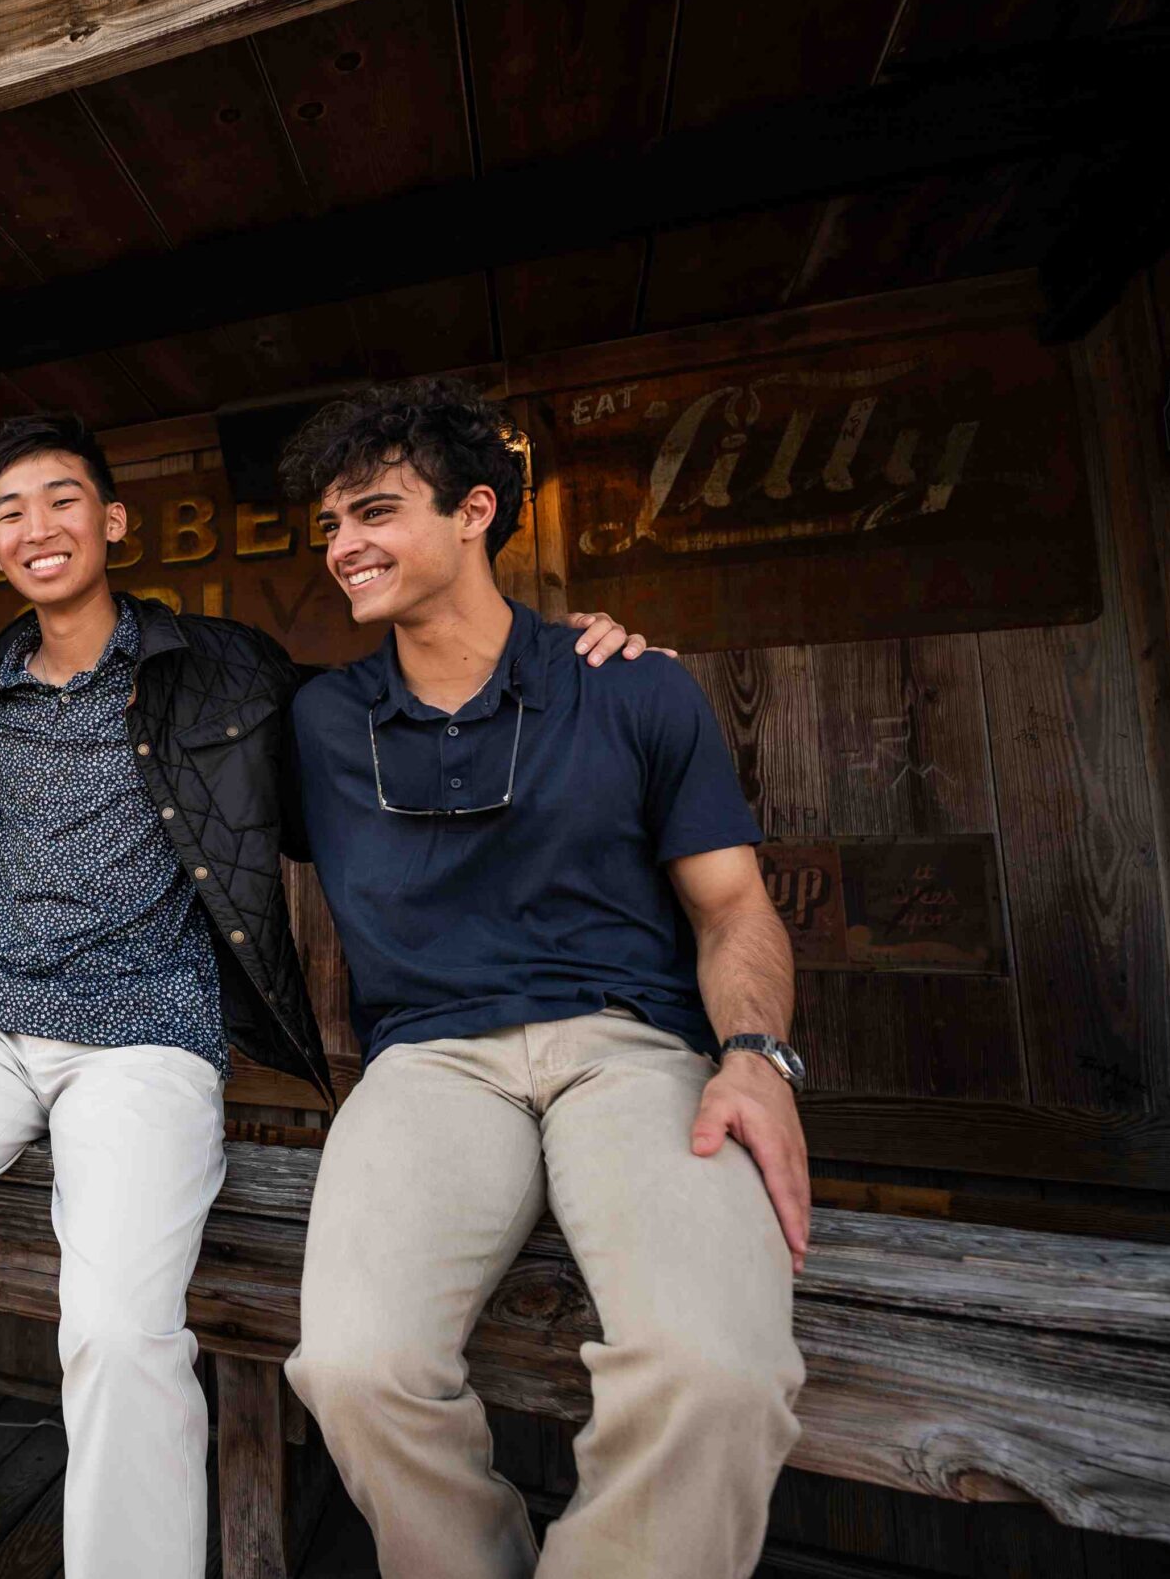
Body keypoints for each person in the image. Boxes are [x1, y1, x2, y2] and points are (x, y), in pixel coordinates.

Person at [0, 414, 653, 1579]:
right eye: (10, 512)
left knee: (117, 1331)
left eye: (61, 500)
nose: (35, 526)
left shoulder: (227, 667)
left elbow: (408, 701)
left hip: (147, 1032)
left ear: (111, 522)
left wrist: (562, 656)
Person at [279, 378, 807, 1579]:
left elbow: (733, 909)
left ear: (475, 511)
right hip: (426, 1063)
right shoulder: (318, 719)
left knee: (718, 1369)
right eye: (329, 527)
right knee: (354, 1368)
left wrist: (756, 1057)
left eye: (373, 512)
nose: (343, 546)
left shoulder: (628, 680)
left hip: (628, 1048)